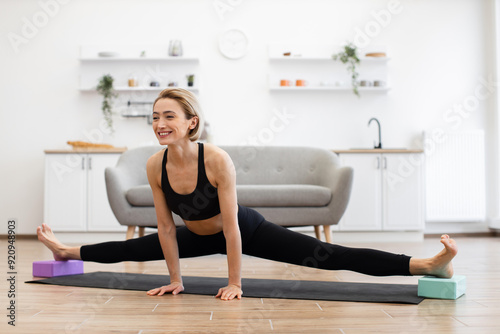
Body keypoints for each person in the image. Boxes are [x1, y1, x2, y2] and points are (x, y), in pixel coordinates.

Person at [37, 88, 458, 301]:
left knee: (330, 257)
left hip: (244, 228)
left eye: (169, 116)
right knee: (137, 247)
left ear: (190, 122)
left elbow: (233, 227)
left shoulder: (216, 160)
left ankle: (427, 264)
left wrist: (234, 282)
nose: (159, 123)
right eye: (154, 118)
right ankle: (66, 252)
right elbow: (165, 228)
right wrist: (176, 280)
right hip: (196, 234)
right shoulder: (154, 164)